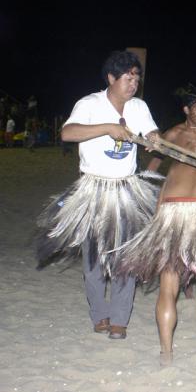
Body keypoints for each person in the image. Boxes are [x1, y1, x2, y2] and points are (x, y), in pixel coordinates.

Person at [35, 50, 161, 340]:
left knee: (126, 257)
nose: (134, 83)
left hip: (127, 190)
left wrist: (155, 138)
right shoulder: (90, 103)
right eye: (128, 78)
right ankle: (99, 313)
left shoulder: (138, 107)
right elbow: (67, 133)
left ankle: (119, 318)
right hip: (94, 189)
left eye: (137, 78)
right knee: (93, 258)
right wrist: (107, 128)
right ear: (111, 78)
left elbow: (152, 132)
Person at [114, 136, 196, 365]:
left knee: (168, 287)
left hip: (170, 215)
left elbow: (158, 209)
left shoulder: (178, 163)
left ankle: (166, 352)